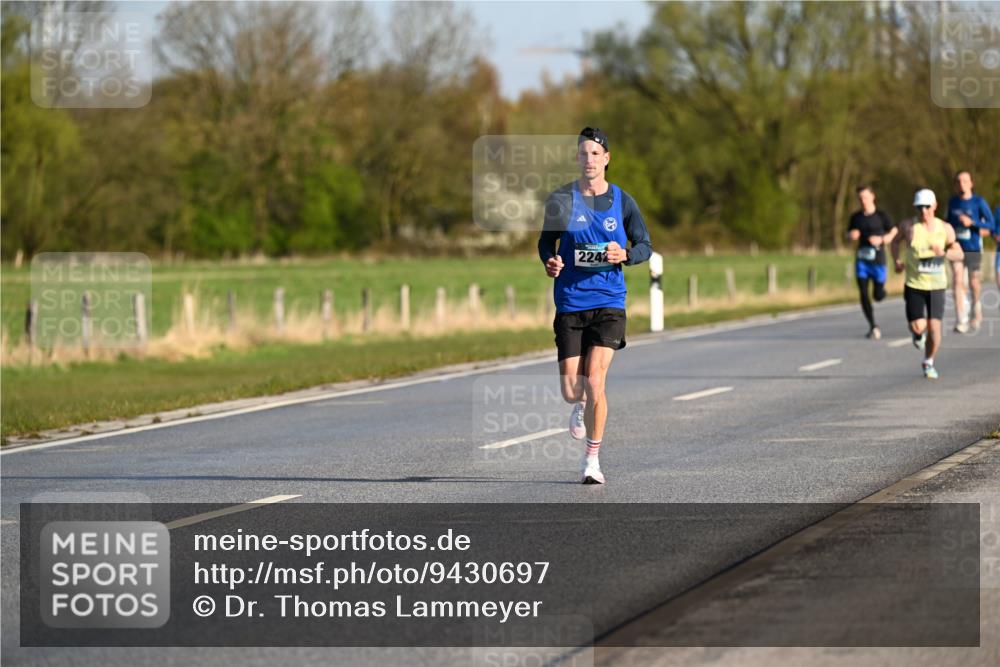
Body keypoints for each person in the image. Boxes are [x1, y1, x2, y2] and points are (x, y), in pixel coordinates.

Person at [538, 127, 652, 484]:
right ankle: (580, 404)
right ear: (578, 159)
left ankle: (592, 460)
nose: (589, 160)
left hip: (608, 302)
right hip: (571, 302)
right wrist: (550, 262)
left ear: (606, 159)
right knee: (573, 389)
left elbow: (645, 244)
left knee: (596, 380)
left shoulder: (622, 201)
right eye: (583, 153)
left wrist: (627, 253)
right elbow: (545, 242)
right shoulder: (561, 199)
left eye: (595, 153)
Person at [891, 189, 964, 379]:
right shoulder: (909, 226)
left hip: (937, 285)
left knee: (934, 327)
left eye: (927, 207)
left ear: (935, 206)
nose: (923, 211)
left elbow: (959, 253)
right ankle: (917, 335)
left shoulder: (945, 229)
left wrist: (944, 253)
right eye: (919, 207)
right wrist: (896, 261)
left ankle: (929, 360)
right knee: (918, 326)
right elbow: (894, 242)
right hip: (915, 283)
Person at [945, 171, 994, 332]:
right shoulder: (952, 203)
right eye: (958, 181)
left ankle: (976, 309)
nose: (962, 184)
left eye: (965, 181)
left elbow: (991, 224)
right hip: (956, 247)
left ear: (971, 183)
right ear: (955, 184)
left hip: (973, 247)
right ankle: (961, 319)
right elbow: (947, 224)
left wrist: (972, 222)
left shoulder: (978, 202)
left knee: (974, 281)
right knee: (957, 279)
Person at [847, 185, 896, 339]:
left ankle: (882, 292)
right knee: (863, 293)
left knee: (878, 295)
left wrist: (882, 239)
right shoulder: (856, 217)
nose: (863, 201)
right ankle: (873, 325)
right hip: (862, 260)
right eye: (860, 198)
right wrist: (851, 235)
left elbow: (893, 230)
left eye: (865, 197)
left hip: (878, 260)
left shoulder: (881, 216)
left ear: (872, 196)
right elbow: (848, 233)